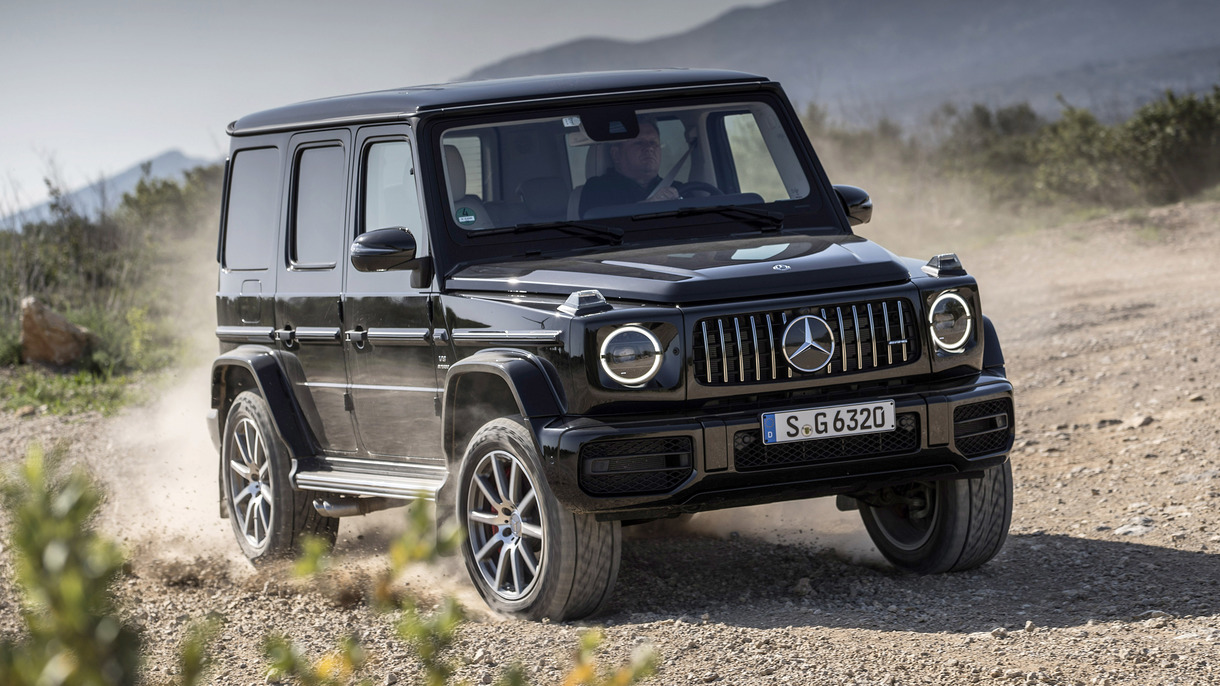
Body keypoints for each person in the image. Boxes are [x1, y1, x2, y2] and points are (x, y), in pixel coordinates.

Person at [578, 121, 682, 216]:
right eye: (639, 143)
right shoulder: (598, 189)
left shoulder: (678, 189)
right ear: (616, 154)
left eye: (653, 143)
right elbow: (598, 225)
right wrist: (650, 205)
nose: (649, 148)